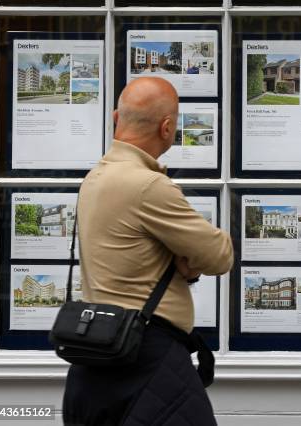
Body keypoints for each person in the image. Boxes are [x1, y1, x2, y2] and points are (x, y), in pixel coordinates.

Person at [62, 77, 233, 426]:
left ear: (115, 117)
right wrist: (187, 263)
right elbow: (219, 254)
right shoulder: (149, 185)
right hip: (146, 359)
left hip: (95, 354)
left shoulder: (94, 178)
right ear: (167, 127)